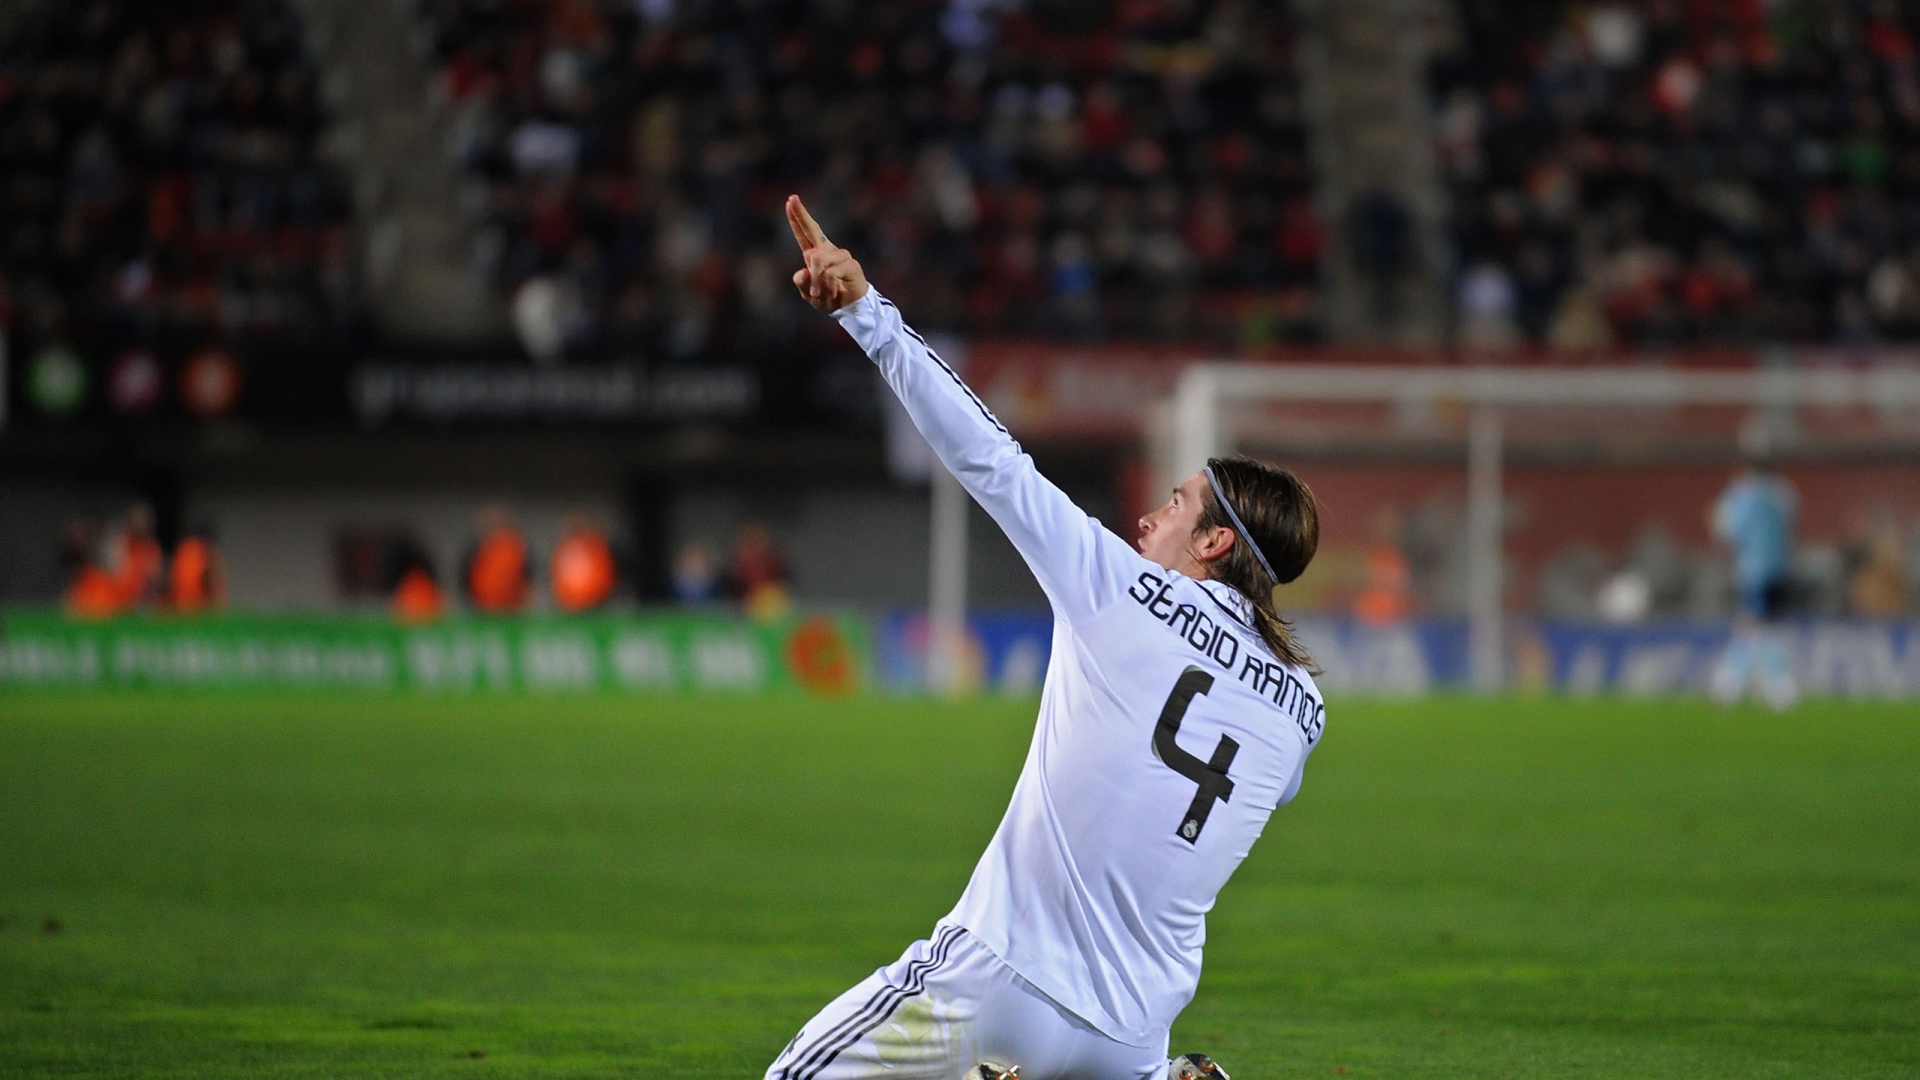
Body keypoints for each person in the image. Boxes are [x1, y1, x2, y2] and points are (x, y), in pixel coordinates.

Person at [768, 195, 1326, 1080]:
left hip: (996, 985)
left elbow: (991, 459)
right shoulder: (1303, 710)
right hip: (1133, 1034)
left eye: (1176, 504)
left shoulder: (1124, 590)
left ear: (1216, 543)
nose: (1148, 518)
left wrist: (868, 314)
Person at [1708, 451, 1799, 709]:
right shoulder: (1785, 493)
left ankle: (1735, 681)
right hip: (1780, 568)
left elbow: (1727, 530)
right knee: (1769, 625)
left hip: (1753, 571)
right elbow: (1791, 524)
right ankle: (1772, 683)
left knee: (1753, 625)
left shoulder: (1742, 494)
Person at [464, 506, 532, 614]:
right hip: (483, 609)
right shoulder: (477, 548)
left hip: (513, 609)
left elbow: (528, 576)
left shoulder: (518, 547)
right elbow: (465, 578)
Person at [551, 514, 618, 612]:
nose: (576, 529)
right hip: (570, 605)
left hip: (596, 602)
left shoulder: (595, 546)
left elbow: (606, 572)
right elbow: (557, 576)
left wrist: (600, 594)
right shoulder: (563, 549)